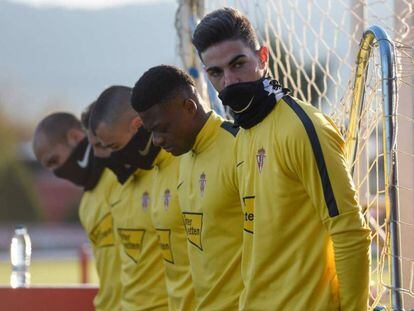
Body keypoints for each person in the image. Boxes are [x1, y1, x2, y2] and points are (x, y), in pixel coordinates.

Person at [191, 7, 372, 310]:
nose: (230, 80)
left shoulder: (304, 127)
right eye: (216, 72)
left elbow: (350, 231)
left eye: (238, 64)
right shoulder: (244, 133)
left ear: (263, 57)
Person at [131, 65, 244, 310]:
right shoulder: (183, 158)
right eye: (151, 132)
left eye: (162, 128)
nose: (157, 141)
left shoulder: (239, 146)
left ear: (189, 107)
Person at [90, 85, 195, 310]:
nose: (109, 157)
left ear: (137, 125)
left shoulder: (184, 164)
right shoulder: (149, 171)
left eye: (113, 146)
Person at [32, 112, 122, 311]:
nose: (56, 172)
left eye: (54, 160)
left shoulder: (122, 176)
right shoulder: (87, 203)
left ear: (75, 137)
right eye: (48, 167)